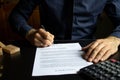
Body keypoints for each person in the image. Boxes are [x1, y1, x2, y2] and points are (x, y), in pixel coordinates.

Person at [9, 0, 120, 63]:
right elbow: (16, 15)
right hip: (47, 48)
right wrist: (29, 33)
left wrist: (115, 39)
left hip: (89, 51)